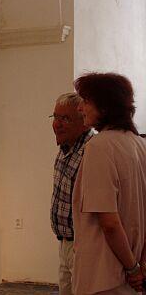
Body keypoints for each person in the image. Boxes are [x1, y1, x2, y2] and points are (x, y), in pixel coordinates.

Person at [72, 73, 146, 294]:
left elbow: (109, 222)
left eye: (85, 101)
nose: (80, 108)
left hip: (103, 277)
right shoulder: (139, 144)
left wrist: (132, 269)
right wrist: (139, 264)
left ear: (104, 107)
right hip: (131, 272)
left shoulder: (99, 147)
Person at [50, 93, 93, 294]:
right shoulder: (65, 148)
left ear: (84, 122)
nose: (56, 124)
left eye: (64, 119)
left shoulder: (91, 152)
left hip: (84, 247)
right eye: (55, 117)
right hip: (65, 243)